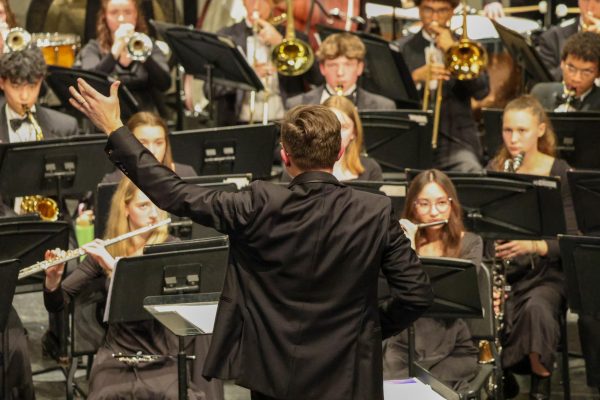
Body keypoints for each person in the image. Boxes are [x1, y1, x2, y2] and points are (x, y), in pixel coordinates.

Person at [69, 77, 433, 400]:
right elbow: (416, 294)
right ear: (339, 153)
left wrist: (115, 127)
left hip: (273, 371)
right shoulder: (375, 210)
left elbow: (174, 194)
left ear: (285, 156)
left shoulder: (257, 202)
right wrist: (367, 329)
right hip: (350, 371)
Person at [43, 178, 221, 400]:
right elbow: (57, 303)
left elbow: (157, 305)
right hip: (117, 353)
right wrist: (53, 279)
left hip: (162, 352)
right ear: (125, 208)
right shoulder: (109, 248)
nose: (154, 214)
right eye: (143, 205)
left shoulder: (171, 249)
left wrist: (115, 268)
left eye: (157, 204)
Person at [488, 95, 577, 399]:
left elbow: (572, 238)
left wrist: (534, 245)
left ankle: (540, 386)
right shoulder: (497, 168)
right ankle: (499, 374)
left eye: (522, 131)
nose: (513, 139)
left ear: (540, 130)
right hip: (506, 272)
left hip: (546, 274)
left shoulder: (559, 172)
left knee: (538, 309)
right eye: (508, 130)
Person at [382, 169, 480, 391]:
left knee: (424, 388)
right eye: (424, 204)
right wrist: (405, 246)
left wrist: (411, 254)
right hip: (404, 341)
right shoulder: (400, 242)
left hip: (453, 343)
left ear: (452, 204)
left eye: (441, 203)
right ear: (412, 207)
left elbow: (457, 295)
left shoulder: (470, 244)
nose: (434, 212)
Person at [393, 0, 489, 173]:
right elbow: (391, 98)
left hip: (456, 142)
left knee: (472, 172)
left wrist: (452, 49)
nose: (435, 17)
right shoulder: (401, 49)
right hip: (413, 139)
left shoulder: (468, 48)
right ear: (419, 10)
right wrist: (414, 78)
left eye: (442, 10)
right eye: (428, 10)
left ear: (452, 11)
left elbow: (482, 91)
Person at [210, 0, 322, 125]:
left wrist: (281, 43)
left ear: (273, 4)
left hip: (286, 125)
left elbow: (317, 79)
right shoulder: (226, 36)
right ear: (243, 2)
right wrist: (248, 75)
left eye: (263, 1)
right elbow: (211, 89)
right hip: (238, 124)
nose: (256, 6)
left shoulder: (296, 38)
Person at [77, 0, 171, 115]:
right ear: (104, 16)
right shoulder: (93, 48)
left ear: (136, 15)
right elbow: (89, 85)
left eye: (128, 12)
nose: (121, 19)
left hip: (146, 117)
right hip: (106, 116)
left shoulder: (148, 45)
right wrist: (114, 52)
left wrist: (145, 56)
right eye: (114, 12)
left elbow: (165, 84)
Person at [281, 95, 383, 182]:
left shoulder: (370, 168)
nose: (337, 133)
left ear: (354, 132)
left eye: (344, 127)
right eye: (331, 127)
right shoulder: (296, 166)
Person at [285, 32, 396, 110]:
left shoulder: (384, 106)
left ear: (360, 68)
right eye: (333, 65)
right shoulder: (297, 105)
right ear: (322, 68)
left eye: (348, 65)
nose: (340, 73)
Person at [0, 47, 79, 144]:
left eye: (32, 86)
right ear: (2, 83)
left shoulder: (66, 127)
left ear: (41, 82)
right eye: (16, 86)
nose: (24, 97)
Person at [101, 111, 196, 183]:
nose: (151, 151)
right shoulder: (112, 181)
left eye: (159, 143)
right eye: (142, 143)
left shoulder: (186, 174)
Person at [531, 31, 600, 112]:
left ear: (598, 73)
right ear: (562, 63)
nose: (576, 78)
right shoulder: (540, 92)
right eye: (571, 68)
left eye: (587, 72)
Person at [537, 0, 600, 81]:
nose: (590, 7)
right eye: (586, 0)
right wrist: (583, 42)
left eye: (598, 1)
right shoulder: (553, 37)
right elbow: (548, 83)